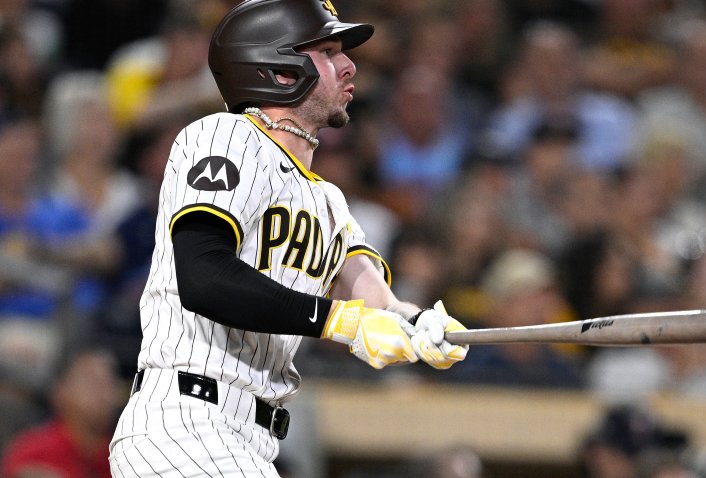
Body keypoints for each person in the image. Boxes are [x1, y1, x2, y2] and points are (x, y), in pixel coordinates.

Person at [108, 1, 469, 476]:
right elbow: (203, 276)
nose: (349, 65)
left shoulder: (329, 202)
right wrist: (339, 322)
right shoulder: (224, 136)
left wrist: (418, 324)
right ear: (277, 68)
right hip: (185, 420)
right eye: (328, 50)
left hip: (250, 438)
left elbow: (376, 304)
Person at [1, 348, 121, 478]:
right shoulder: (33, 453)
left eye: (109, 382)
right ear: (60, 391)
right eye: (92, 381)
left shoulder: (127, 453)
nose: (102, 392)